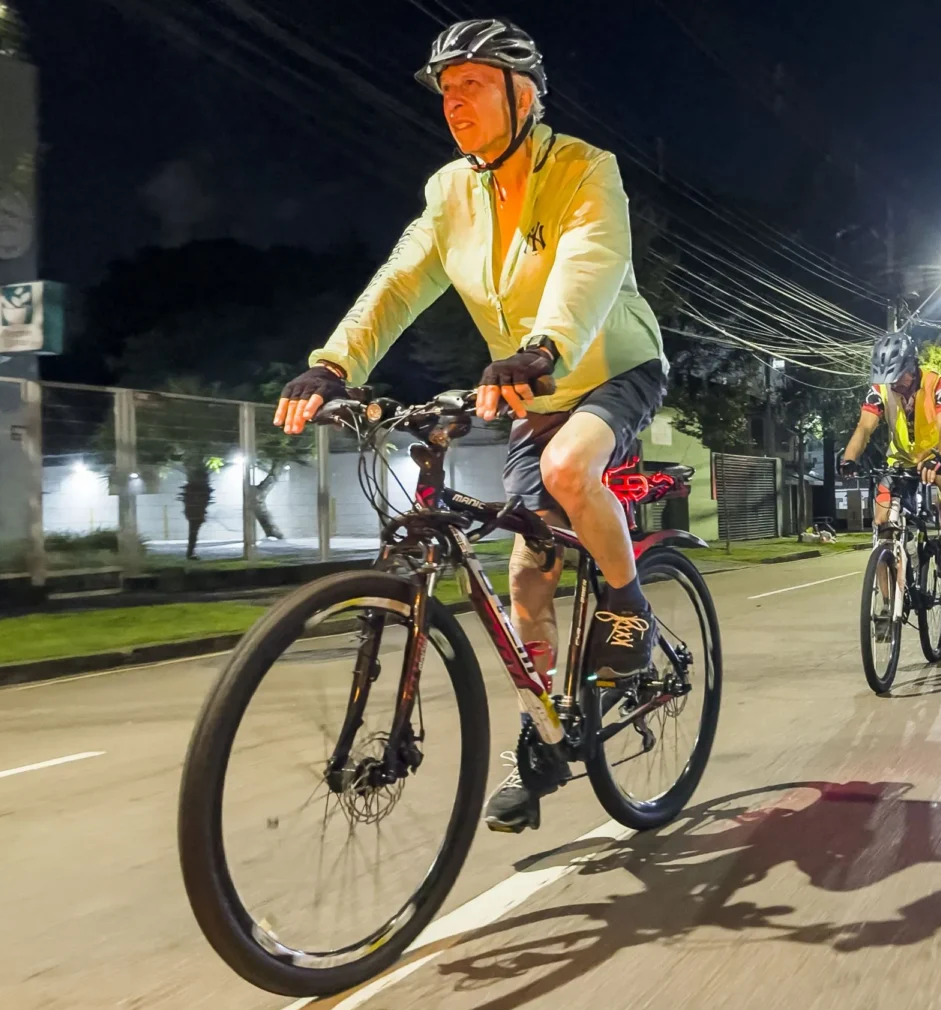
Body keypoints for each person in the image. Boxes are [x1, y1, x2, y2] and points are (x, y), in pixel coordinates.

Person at [272, 19, 670, 833]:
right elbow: (399, 282)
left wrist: (543, 347)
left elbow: (591, 264)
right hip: (531, 390)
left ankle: (631, 607)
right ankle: (544, 736)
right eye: (446, 91)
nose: (454, 104)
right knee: (527, 569)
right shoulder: (449, 192)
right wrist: (334, 364)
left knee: (568, 470)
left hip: (610, 367)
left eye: (473, 86)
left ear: (524, 95)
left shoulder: (585, 169)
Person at [839, 339, 941, 576]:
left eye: (897, 376)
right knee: (882, 523)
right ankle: (888, 596)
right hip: (900, 459)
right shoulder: (880, 389)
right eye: (887, 377)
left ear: (912, 366)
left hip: (936, 453)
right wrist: (849, 458)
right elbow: (864, 428)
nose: (893, 383)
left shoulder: (938, 383)